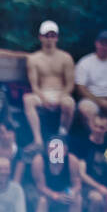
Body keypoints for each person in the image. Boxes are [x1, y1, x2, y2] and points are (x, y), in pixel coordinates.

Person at [24, 21, 76, 152]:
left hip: (61, 93)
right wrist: (44, 98)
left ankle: (62, 136)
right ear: (40, 37)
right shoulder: (34, 59)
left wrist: (62, 96)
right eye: (46, 35)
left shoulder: (66, 57)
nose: (49, 39)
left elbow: (70, 84)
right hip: (42, 93)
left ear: (57, 38)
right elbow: (34, 85)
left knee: (69, 103)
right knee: (28, 99)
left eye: (53, 36)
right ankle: (38, 140)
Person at [75, 30, 107, 126]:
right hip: (91, 99)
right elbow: (80, 88)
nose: (105, 47)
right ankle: (93, 138)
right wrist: (100, 102)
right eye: (103, 43)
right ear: (96, 44)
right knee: (86, 109)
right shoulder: (85, 62)